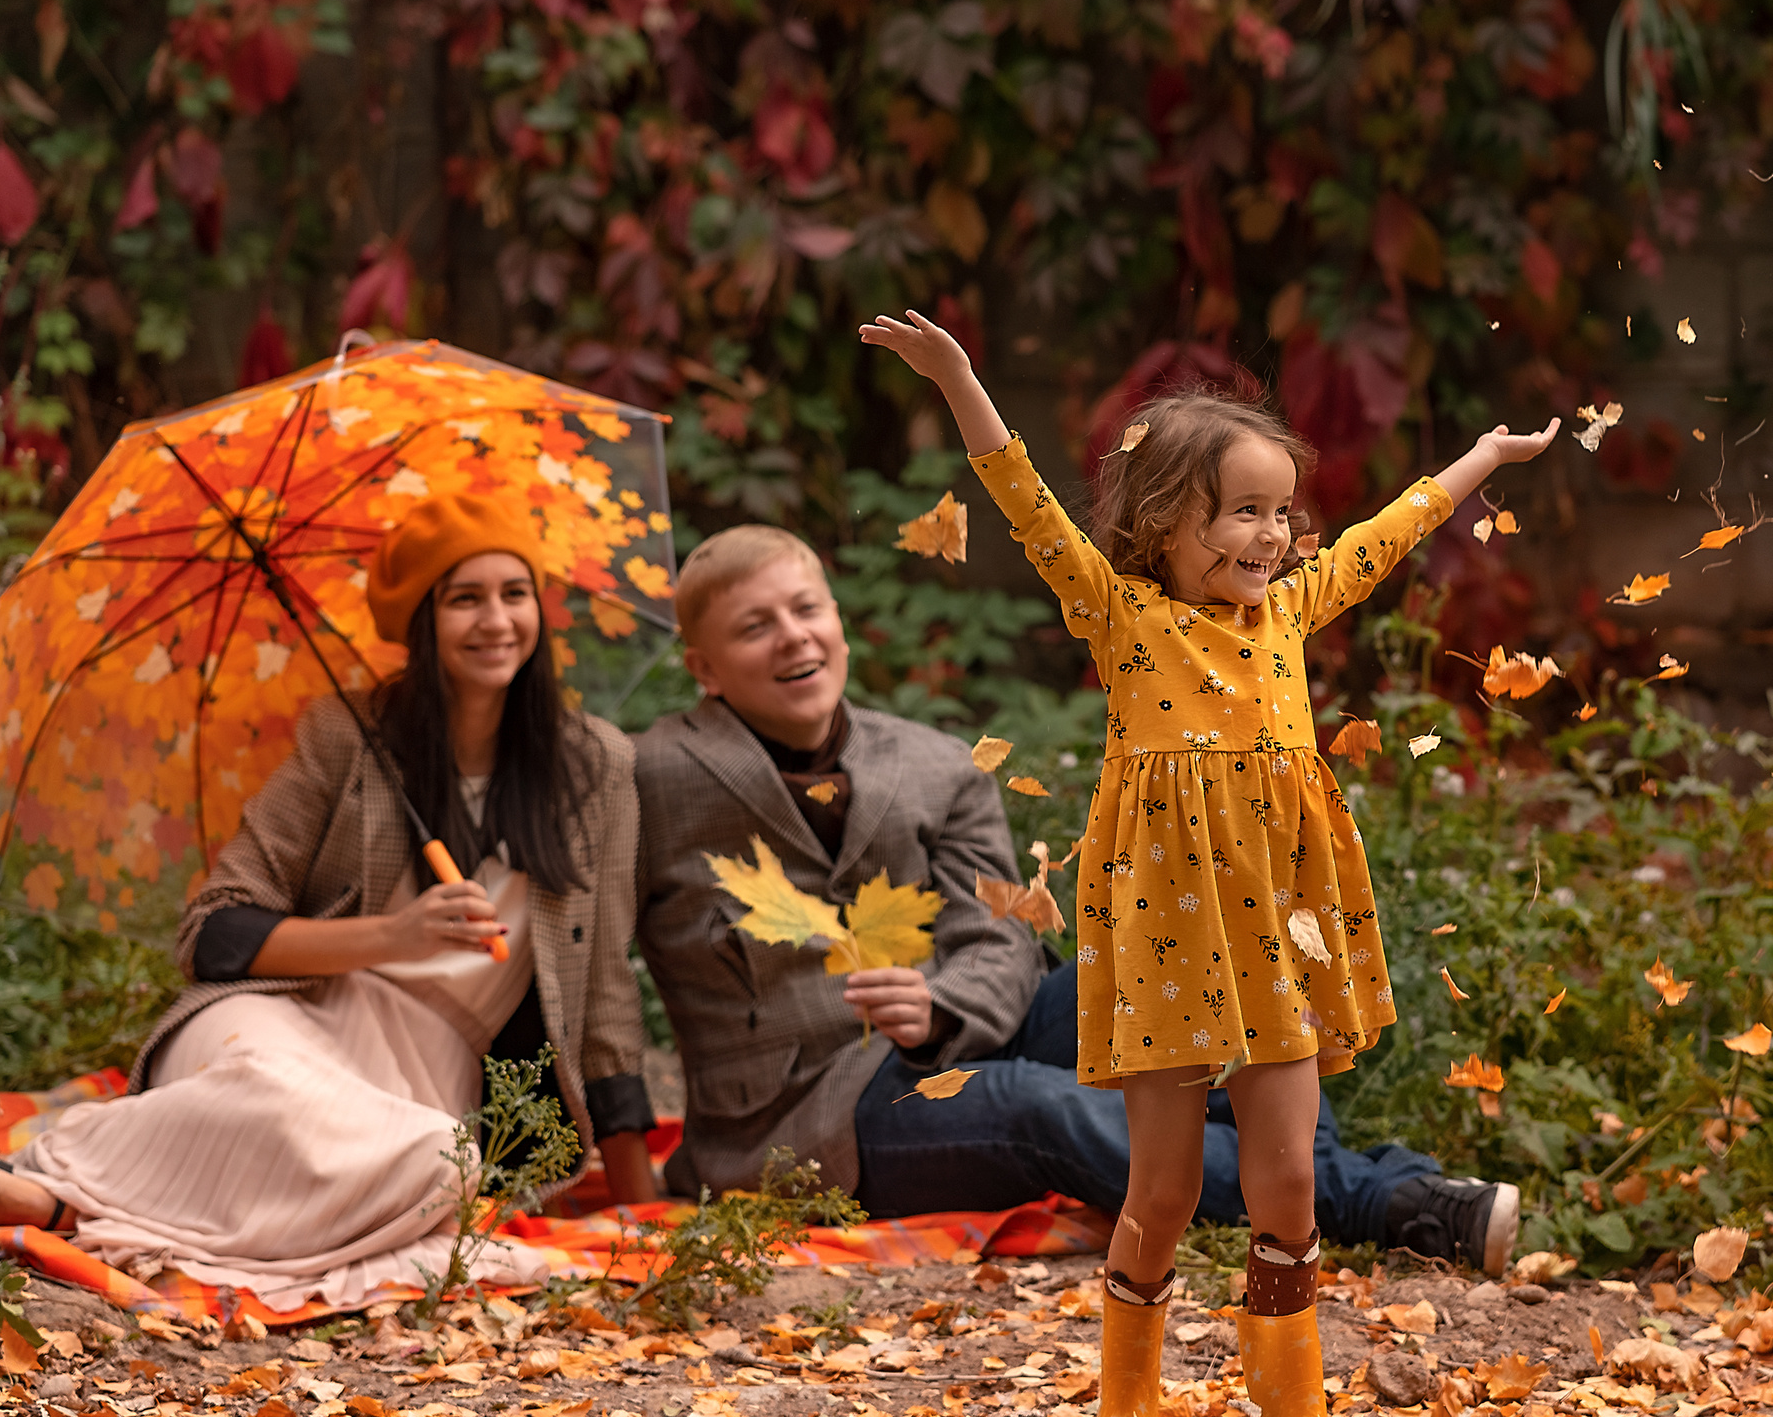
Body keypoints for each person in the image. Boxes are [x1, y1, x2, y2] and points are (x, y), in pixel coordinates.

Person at [863, 308, 1558, 1417]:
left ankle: (1289, 1416)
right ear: (1162, 521)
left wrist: (1480, 459)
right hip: (1162, 938)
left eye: (1282, 510)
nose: (1274, 534)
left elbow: (1385, 537)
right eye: (1244, 508)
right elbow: (1023, 497)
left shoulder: (1286, 613)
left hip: (1275, 932)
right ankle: (1125, 1406)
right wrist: (962, 380)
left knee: (1287, 1175)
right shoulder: (1122, 616)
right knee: (1165, 1183)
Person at [631, 529, 1516, 1264]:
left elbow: (1004, 941)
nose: (793, 638)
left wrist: (940, 1006)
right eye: (756, 627)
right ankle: (1380, 1197)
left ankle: (1323, 1175)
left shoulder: (934, 766)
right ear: (704, 668)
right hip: (813, 1111)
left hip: (963, 1028)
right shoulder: (653, 774)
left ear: (840, 623)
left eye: (807, 609)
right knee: (1034, 1106)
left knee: (1179, 954)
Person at [0, 493, 658, 1311]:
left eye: (513, 593)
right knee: (266, 1089)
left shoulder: (596, 767)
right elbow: (214, 930)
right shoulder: (348, 738)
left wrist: (639, 1203)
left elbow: (602, 989)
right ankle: (45, 1188)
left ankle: (49, 1200)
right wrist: (391, 934)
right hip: (288, 1013)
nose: (495, 620)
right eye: (465, 598)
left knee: (438, 1164)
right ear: (423, 622)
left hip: (421, 1072)